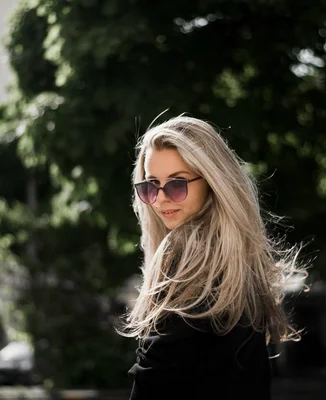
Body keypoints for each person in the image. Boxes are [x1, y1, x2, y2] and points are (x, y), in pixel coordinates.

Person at [119, 115, 302, 400]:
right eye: (151, 185)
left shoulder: (181, 254)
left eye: (177, 184)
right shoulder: (238, 262)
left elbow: (152, 380)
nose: (160, 198)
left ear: (212, 181)